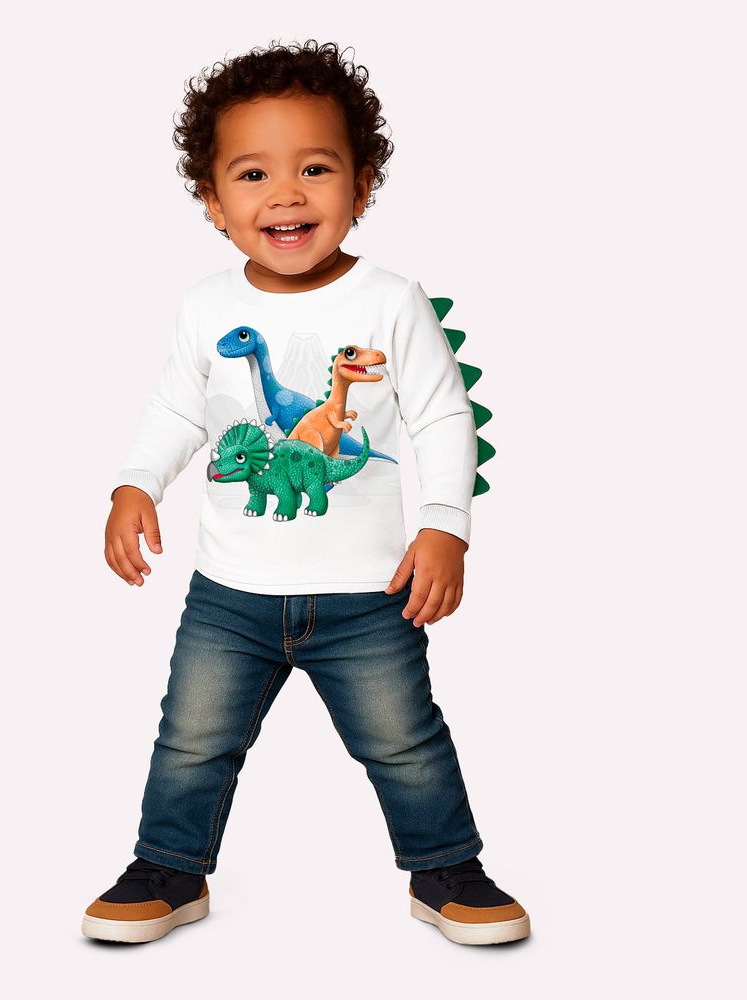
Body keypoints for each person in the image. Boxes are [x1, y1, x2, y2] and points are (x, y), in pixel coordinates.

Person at [81, 38, 530, 947]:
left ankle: (446, 867)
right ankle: (169, 866)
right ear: (214, 202)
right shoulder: (207, 307)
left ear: (361, 186)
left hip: (368, 595)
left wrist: (445, 526)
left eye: (315, 169)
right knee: (191, 739)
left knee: (404, 741)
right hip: (229, 594)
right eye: (253, 174)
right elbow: (178, 409)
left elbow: (444, 416)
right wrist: (136, 483)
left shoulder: (391, 301)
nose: (285, 194)